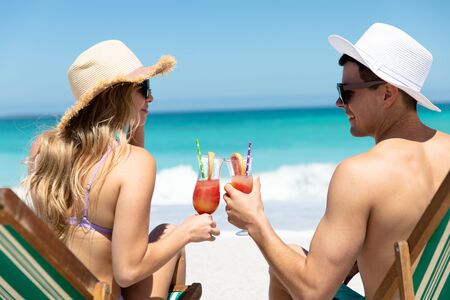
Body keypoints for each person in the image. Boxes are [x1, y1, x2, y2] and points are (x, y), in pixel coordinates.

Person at [224, 23, 450, 299]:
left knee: (289, 264)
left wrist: (254, 222)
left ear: (387, 94)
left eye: (347, 92)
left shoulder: (360, 174)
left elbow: (312, 291)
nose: (339, 103)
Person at [26, 40, 220, 299]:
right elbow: (128, 271)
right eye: (143, 88)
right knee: (173, 236)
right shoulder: (135, 164)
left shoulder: (44, 149)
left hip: (58, 293)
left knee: (167, 236)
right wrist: (187, 232)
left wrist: (135, 118)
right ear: (112, 95)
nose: (151, 97)